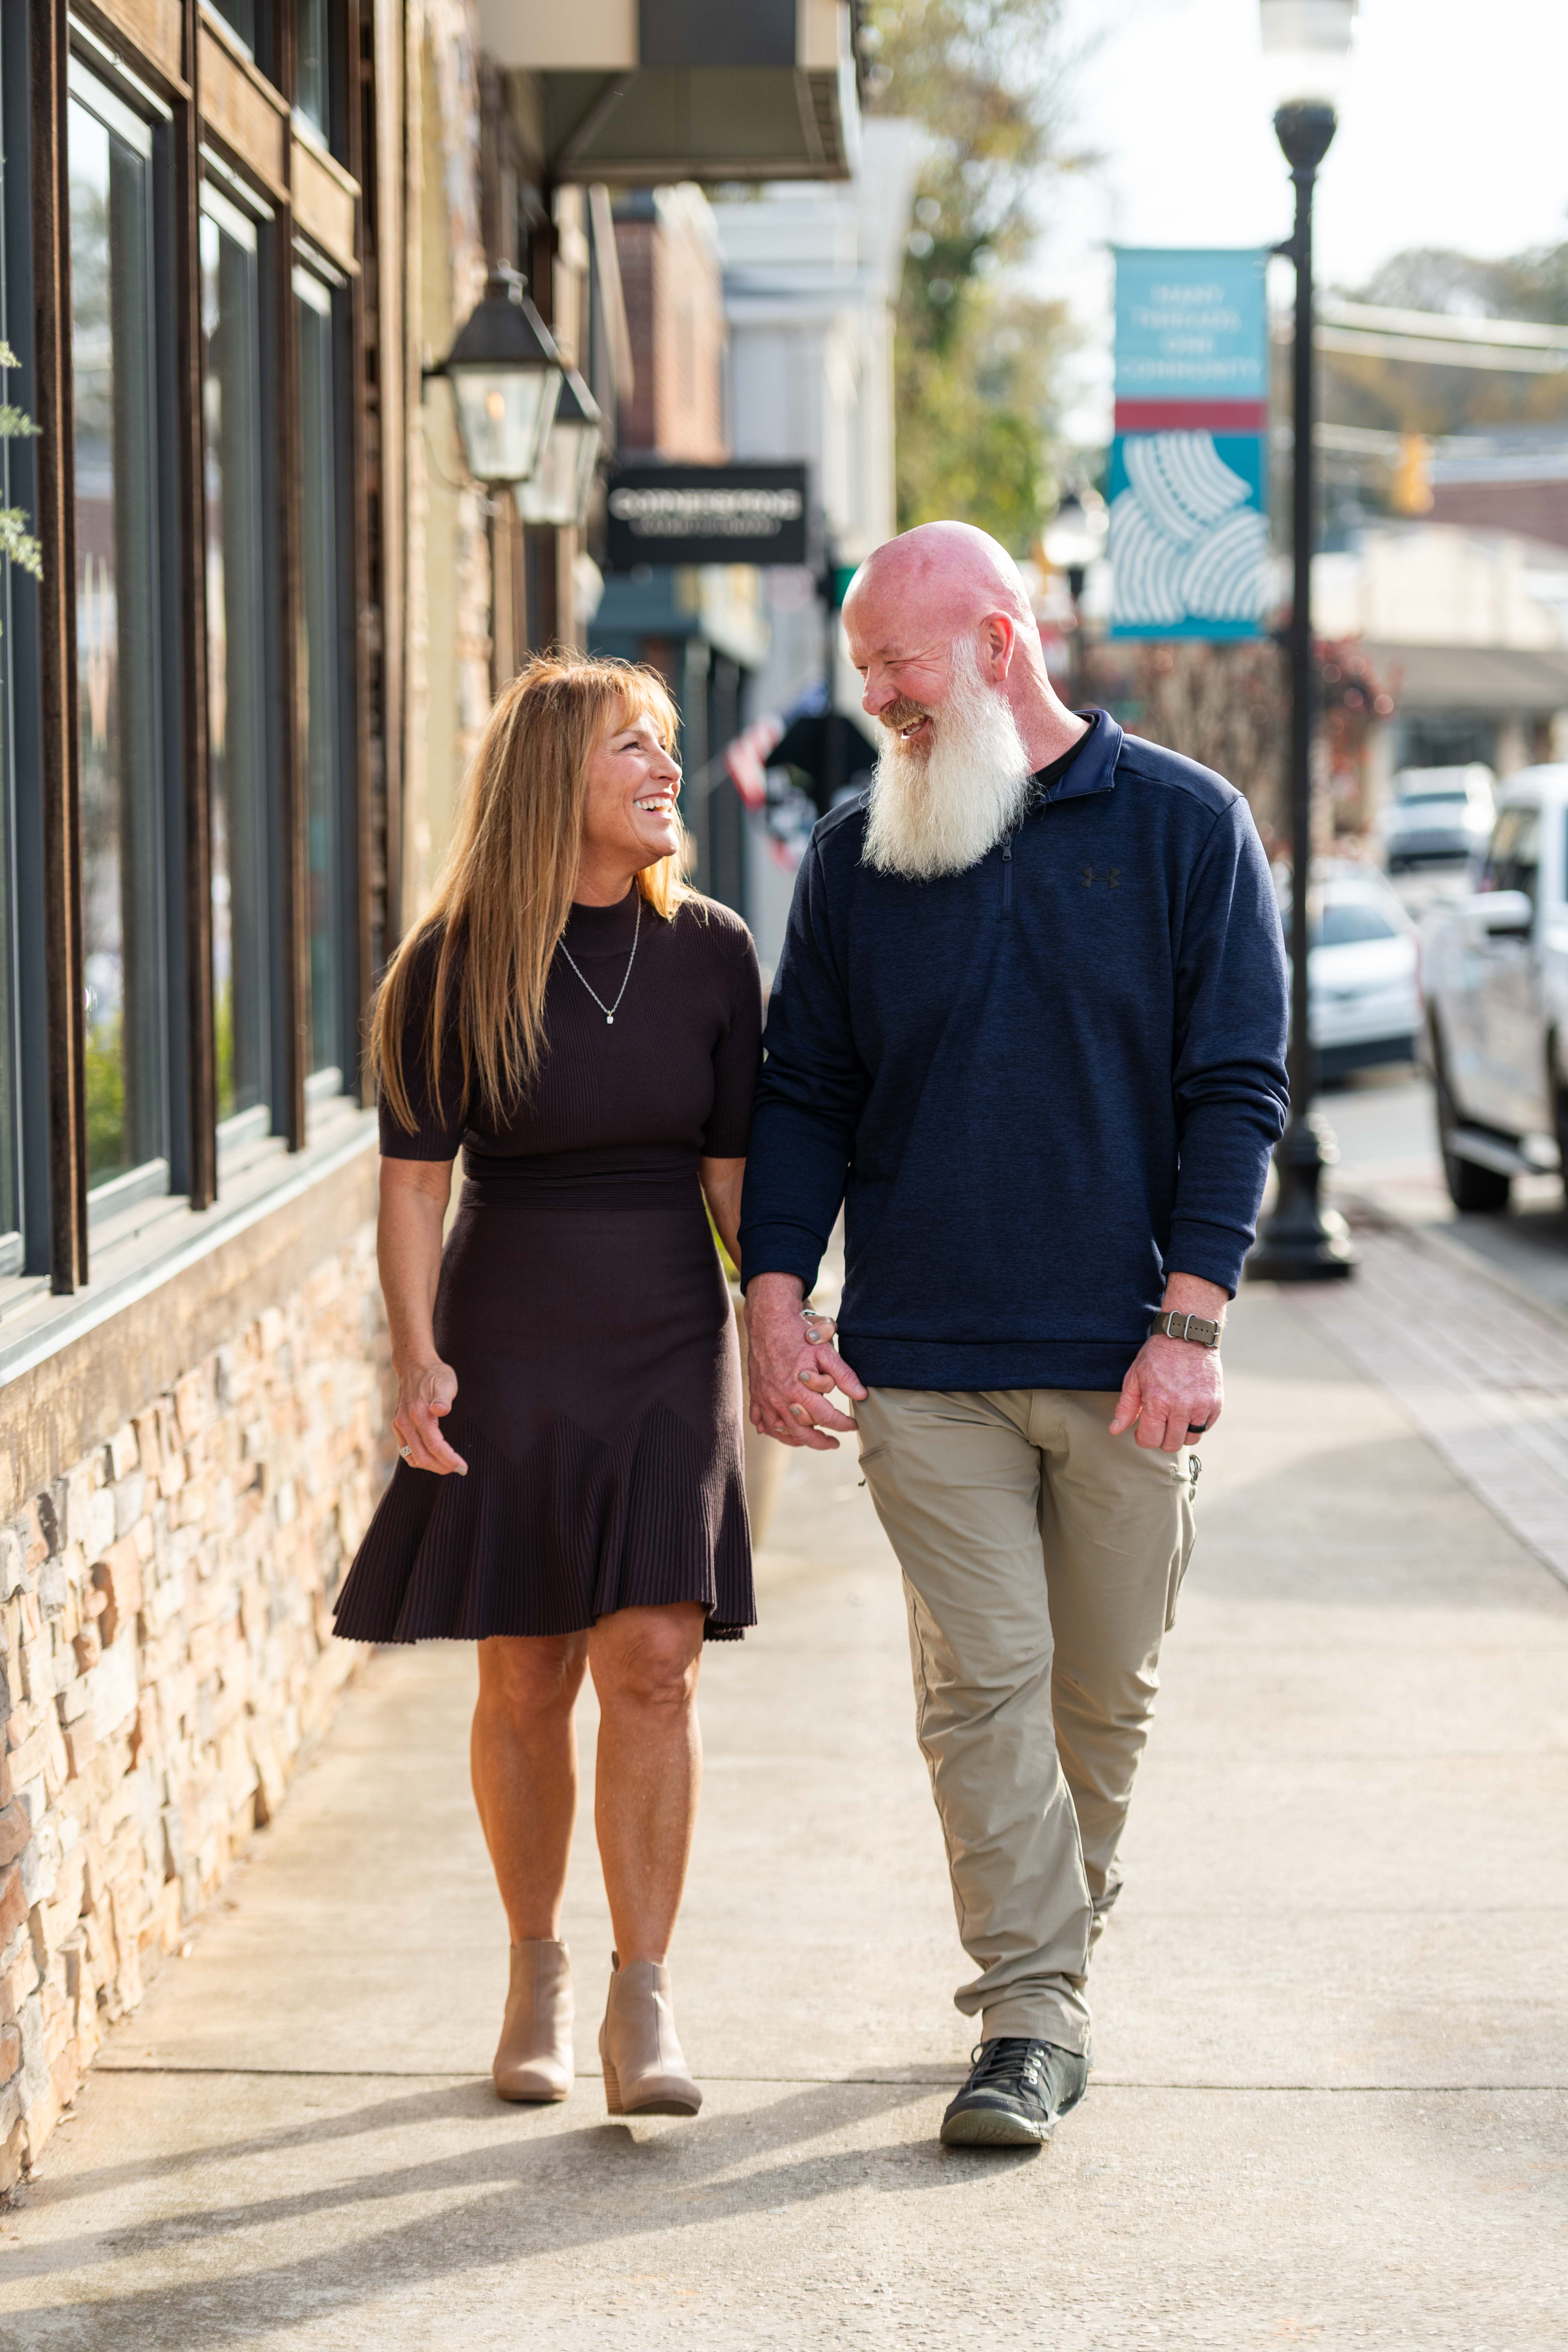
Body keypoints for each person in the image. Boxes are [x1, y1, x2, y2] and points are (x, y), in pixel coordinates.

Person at [739, 523, 1289, 2150]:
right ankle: (1031, 2010)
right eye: (863, 673)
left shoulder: (1188, 827)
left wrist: (1191, 1319)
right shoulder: (859, 854)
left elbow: (1236, 1089)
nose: (875, 698)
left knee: (1100, 1696)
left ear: (997, 640)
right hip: (925, 1363)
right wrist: (776, 1294)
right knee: (987, 1680)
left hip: (1129, 1359)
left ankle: (1054, 1963)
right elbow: (805, 1093)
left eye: (895, 665)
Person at [336, 651, 762, 2120]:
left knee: (654, 1654)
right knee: (526, 1666)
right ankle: (537, 1968)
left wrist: (784, 1314)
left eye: (667, 746)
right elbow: (411, 1185)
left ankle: (646, 1997)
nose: (667, 770)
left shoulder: (711, 951)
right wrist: (416, 1354)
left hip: (663, 1330)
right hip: (509, 1326)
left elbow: (731, 1179)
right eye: (633, 749)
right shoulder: (453, 963)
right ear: (550, 786)